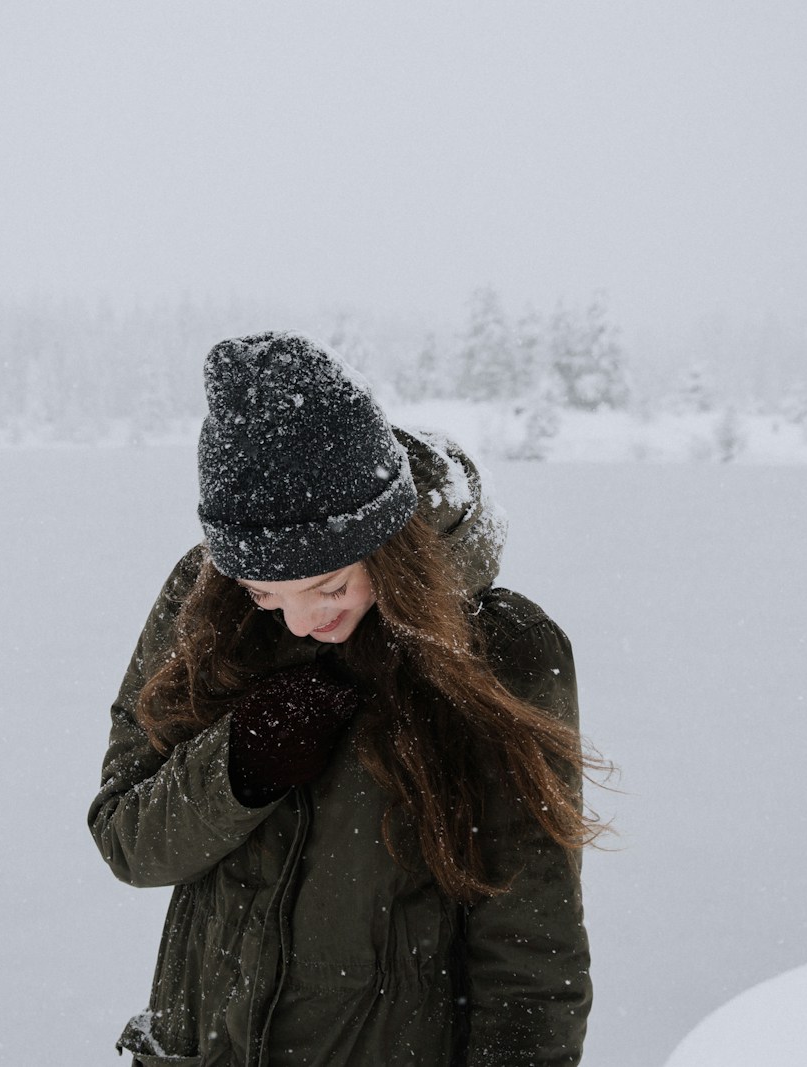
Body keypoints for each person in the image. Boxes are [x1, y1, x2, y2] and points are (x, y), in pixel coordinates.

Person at [89, 332, 602, 1066]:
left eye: (330, 586)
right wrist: (238, 766)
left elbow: (531, 962)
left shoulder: (502, 649)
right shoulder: (203, 604)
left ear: (389, 543)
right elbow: (126, 839)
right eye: (267, 593)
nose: (301, 619)